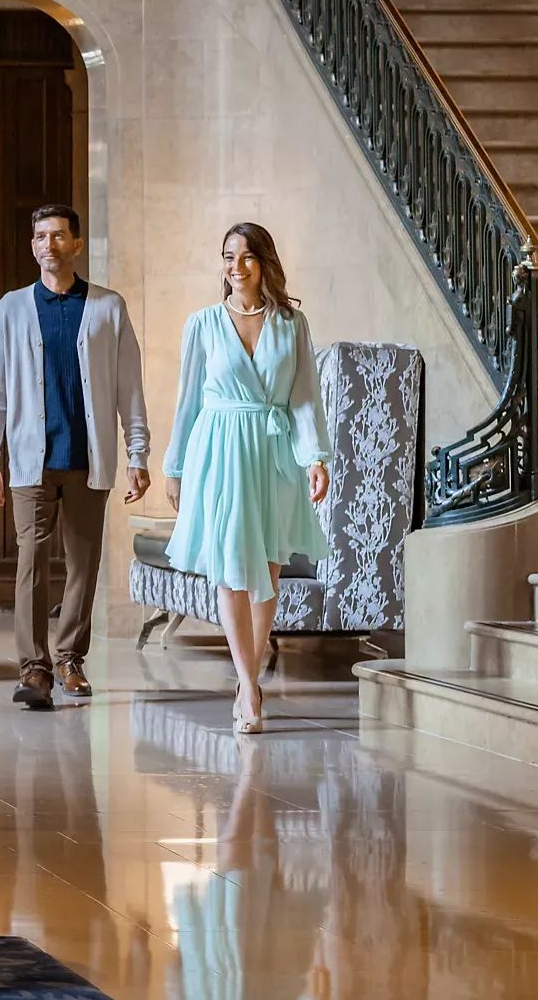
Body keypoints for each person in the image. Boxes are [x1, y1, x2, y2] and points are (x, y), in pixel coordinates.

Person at [0, 204, 151, 710]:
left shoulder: (107, 308)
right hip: (32, 461)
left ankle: (70, 658)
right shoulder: (10, 309)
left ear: (76, 244)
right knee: (31, 562)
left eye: (57, 236)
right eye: (39, 237)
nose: (47, 245)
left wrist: (137, 453)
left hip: (86, 458)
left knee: (84, 564)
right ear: (32, 246)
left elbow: (129, 390)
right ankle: (34, 670)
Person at [164, 222, 331, 735]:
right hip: (219, 451)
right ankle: (249, 688)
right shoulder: (203, 324)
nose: (234, 266)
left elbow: (304, 396)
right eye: (227, 257)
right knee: (229, 570)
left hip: (273, 451)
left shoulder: (291, 324)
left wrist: (315, 458)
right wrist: (175, 466)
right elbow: (188, 399)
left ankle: (247, 681)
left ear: (264, 262)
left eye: (245, 257)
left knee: (267, 573)